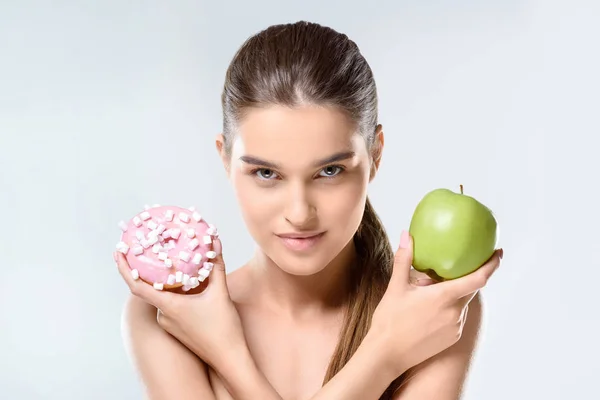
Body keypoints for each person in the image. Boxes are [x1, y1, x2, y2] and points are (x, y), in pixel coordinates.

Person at [114, 20, 503, 400]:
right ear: (225, 160)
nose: (299, 214)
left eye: (329, 171)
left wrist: (229, 358)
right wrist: (384, 355)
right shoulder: (167, 316)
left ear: (376, 155)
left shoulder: (429, 311)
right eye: (266, 173)